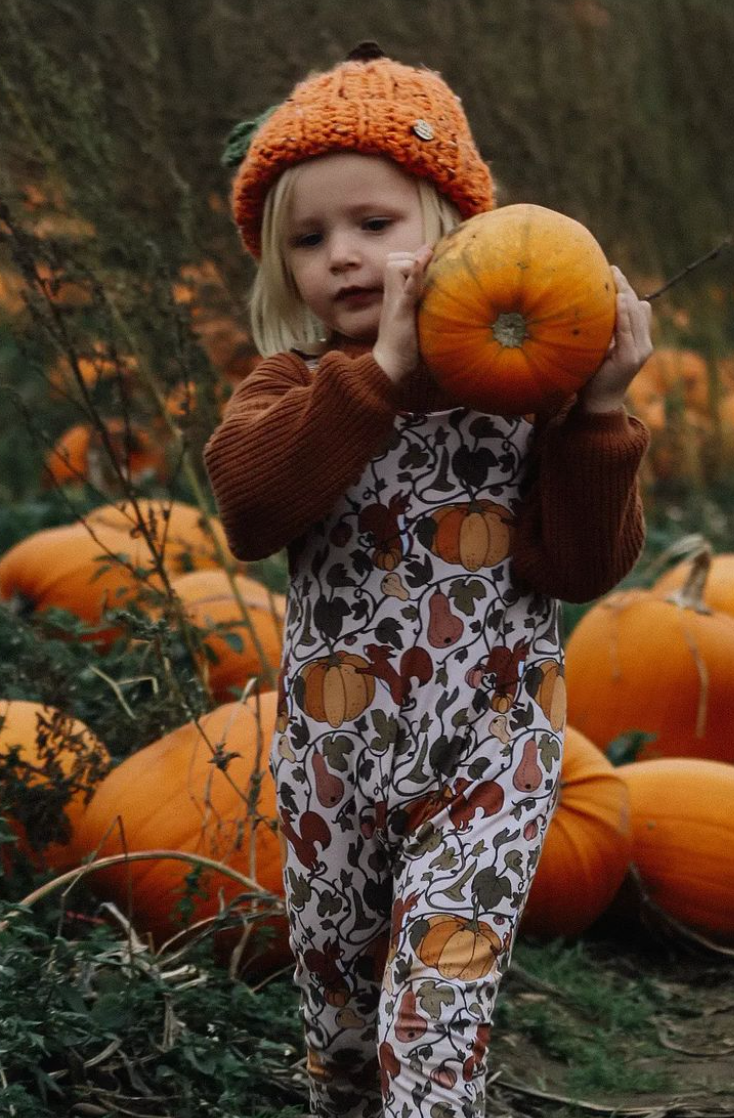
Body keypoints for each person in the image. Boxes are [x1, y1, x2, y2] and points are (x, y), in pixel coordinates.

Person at [203, 42, 652, 1118]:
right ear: (280, 267)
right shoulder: (293, 385)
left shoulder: (526, 400)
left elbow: (582, 566)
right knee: (344, 1035)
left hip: (490, 752)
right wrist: (384, 380)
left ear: (455, 234)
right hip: (333, 759)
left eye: (374, 225)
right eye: (309, 239)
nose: (343, 257)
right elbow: (250, 506)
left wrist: (597, 414)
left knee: (435, 1032)